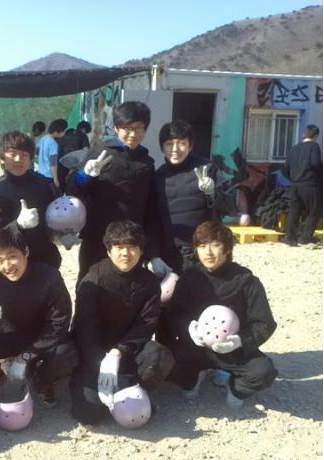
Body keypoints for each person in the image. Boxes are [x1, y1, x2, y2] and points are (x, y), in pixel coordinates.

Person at [165, 221, 278, 409]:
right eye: (202, 246)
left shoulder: (247, 281)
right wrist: (189, 328)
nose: (208, 252)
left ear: (227, 248)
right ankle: (194, 376)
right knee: (161, 362)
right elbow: (174, 313)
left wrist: (240, 341)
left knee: (263, 373)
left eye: (215, 245)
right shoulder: (190, 277)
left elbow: (264, 323)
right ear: (196, 249)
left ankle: (235, 387)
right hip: (196, 347)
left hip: (233, 350)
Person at [69, 220, 161, 425]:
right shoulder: (93, 279)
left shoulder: (150, 282)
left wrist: (119, 352)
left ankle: (135, 386)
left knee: (159, 355)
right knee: (88, 414)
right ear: (109, 251)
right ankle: (97, 386)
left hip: (127, 351)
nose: (125, 253)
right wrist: (99, 361)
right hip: (94, 354)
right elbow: (84, 327)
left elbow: (146, 324)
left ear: (141, 250)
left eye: (132, 247)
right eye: (119, 247)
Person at [0, 224, 75, 405]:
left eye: (12, 257)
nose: (7, 266)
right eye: (0, 260)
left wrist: (25, 357)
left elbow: (59, 322)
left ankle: (43, 379)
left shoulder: (49, 276)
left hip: (41, 338)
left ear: (26, 252)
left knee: (66, 352)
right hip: (8, 338)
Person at [65, 101, 159, 285]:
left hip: (130, 241)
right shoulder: (101, 152)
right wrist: (84, 175)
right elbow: (72, 188)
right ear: (116, 128)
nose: (133, 134)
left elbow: (150, 208)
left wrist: (152, 251)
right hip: (98, 238)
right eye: (127, 128)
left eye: (139, 128)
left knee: (127, 288)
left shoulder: (147, 163)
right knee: (91, 283)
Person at [0, 131, 61, 268]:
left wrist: (62, 233)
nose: (18, 159)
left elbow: (56, 213)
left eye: (24, 155)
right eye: (12, 154)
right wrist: (17, 225)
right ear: (2, 158)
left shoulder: (43, 184)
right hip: (15, 264)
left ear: (31, 159)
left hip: (47, 260)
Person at [153, 120, 218, 273]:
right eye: (169, 144)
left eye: (182, 143)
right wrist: (153, 255)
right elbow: (152, 220)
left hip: (204, 251)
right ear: (162, 147)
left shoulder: (207, 169)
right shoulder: (157, 177)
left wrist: (213, 193)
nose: (175, 149)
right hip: (170, 253)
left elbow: (230, 208)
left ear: (191, 145)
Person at [281, 124, 323, 247]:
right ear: (316, 136)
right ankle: (306, 238)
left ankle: (290, 238)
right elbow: (316, 164)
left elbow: (285, 169)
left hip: (294, 185)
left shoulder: (294, 148)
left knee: (294, 211)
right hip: (309, 184)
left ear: (304, 134)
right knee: (313, 211)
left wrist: (293, 179)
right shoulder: (314, 147)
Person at [57, 121, 92, 188]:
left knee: (62, 184)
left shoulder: (66, 134)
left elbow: (59, 150)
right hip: (74, 165)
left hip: (62, 163)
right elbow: (86, 152)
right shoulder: (83, 136)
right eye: (86, 131)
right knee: (73, 185)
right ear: (84, 129)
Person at [36, 118, 68, 189]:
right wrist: (55, 179)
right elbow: (53, 163)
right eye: (63, 131)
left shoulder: (43, 138)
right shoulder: (53, 144)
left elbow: (37, 151)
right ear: (57, 131)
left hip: (41, 172)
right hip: (49, 175)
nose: (64, 133)